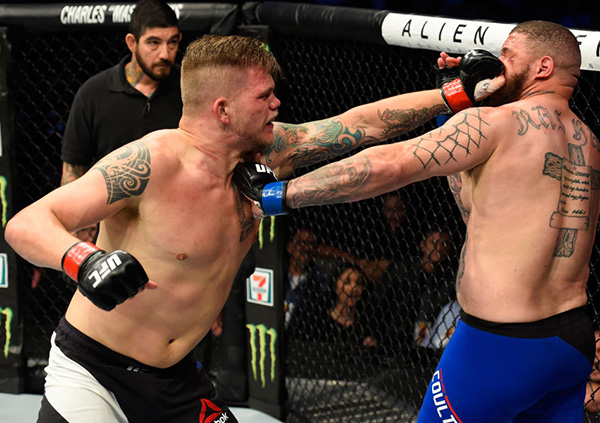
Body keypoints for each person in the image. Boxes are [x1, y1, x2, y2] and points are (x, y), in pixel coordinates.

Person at [4, 33, 500, 422]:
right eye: (264, 96)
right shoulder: (151, 162)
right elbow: (26, 223)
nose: (277, 105)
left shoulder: (270, 153)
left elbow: (361, 124)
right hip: (96, 369)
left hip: (177, 378)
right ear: (222, 109)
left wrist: (451, 94)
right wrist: (84, 259)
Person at [238, 21, 597, 422]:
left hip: (499, 344)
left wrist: (273, 196)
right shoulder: (588, 143)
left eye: (509, 56)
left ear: (543, 66)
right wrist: (457, 109)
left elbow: (386, 165)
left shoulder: (499, 124)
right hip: (570, 342)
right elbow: (476, 210)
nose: (498, 65)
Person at [61, 0, 182, 242]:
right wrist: (80, 243)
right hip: (114, 229)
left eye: (173, 42)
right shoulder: (94, 93)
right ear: (132, 43)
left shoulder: (190, 89)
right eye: (154, 43)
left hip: (177, 226)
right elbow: (73, 172)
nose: (164, 54)